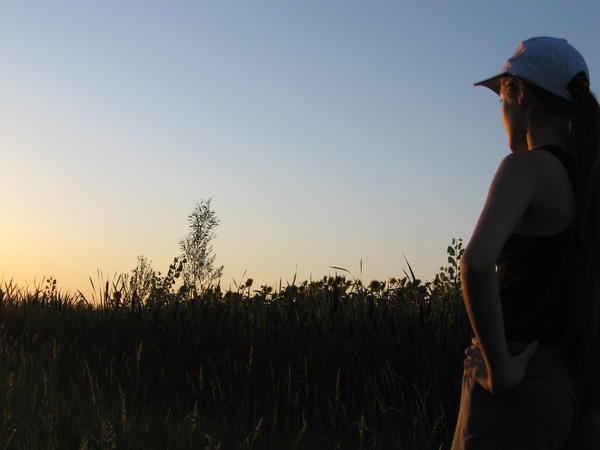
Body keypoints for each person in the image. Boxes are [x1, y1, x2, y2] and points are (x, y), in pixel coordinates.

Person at [451, 37, 600, 449]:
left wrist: (501, 370)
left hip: (521, 385)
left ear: (520, 96)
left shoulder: (527, 168)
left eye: (503, 96)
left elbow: (477, 262)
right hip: (578, 382)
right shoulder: (588, 182)